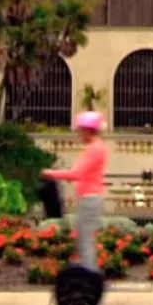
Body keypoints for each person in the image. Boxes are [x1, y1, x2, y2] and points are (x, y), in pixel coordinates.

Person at [42, 111, 109, 272]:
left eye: (81, 130)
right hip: (89, 198)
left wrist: (50, 173)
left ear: (89, 130)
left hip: (90, 198)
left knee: (85, 241)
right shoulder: (95, 147)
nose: (79, 133)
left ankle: (90, 276)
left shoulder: (95, 149)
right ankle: (89, 275)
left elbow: (77, 174)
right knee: (83, 239)